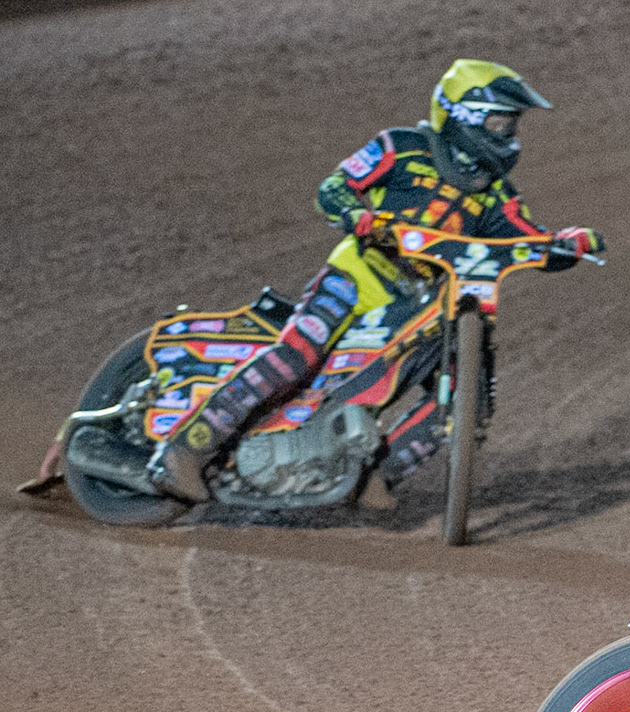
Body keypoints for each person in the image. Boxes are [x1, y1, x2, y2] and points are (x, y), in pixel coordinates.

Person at [152, 60, 605, 500]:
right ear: (465, 115)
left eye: (512, 125)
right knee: (296, 354)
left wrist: (567, 244)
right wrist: (357, 216)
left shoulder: (497, 194)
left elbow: (529, 242)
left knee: (469, 404)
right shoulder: (401, 147)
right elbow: (335, 187)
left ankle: (375, 477)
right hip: (358, 275)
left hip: (421, 304)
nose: (509, 135)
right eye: (502, 122)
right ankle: (186, 448)